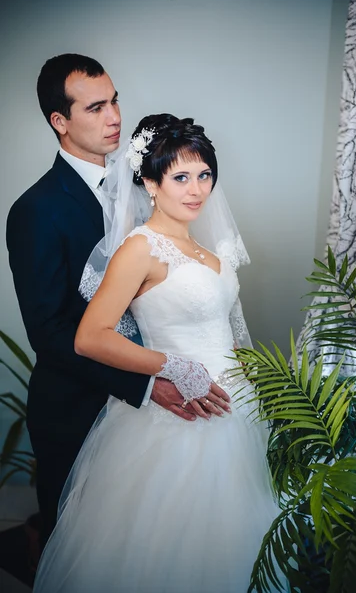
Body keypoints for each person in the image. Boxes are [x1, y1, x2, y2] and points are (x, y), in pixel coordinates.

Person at [32, 114, 285, 593]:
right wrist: (172, 367)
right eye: (180, 177)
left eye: (204, 174)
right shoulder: (140, 248)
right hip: (177, 416)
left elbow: (229, 336)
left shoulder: (212, 254)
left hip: (235, 413)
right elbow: (91, 336)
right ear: (150, 182)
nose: (196, 189)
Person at [6, 55, 228, 548]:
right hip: (79, 408)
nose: (114, 118)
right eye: (96, 107)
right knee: (85, 552)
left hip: (166, 415)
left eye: (116, 100)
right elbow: (50, 331)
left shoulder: (149, 181)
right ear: (59, 122)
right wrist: (149, 385)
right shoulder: (35, 211)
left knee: (173, 545)